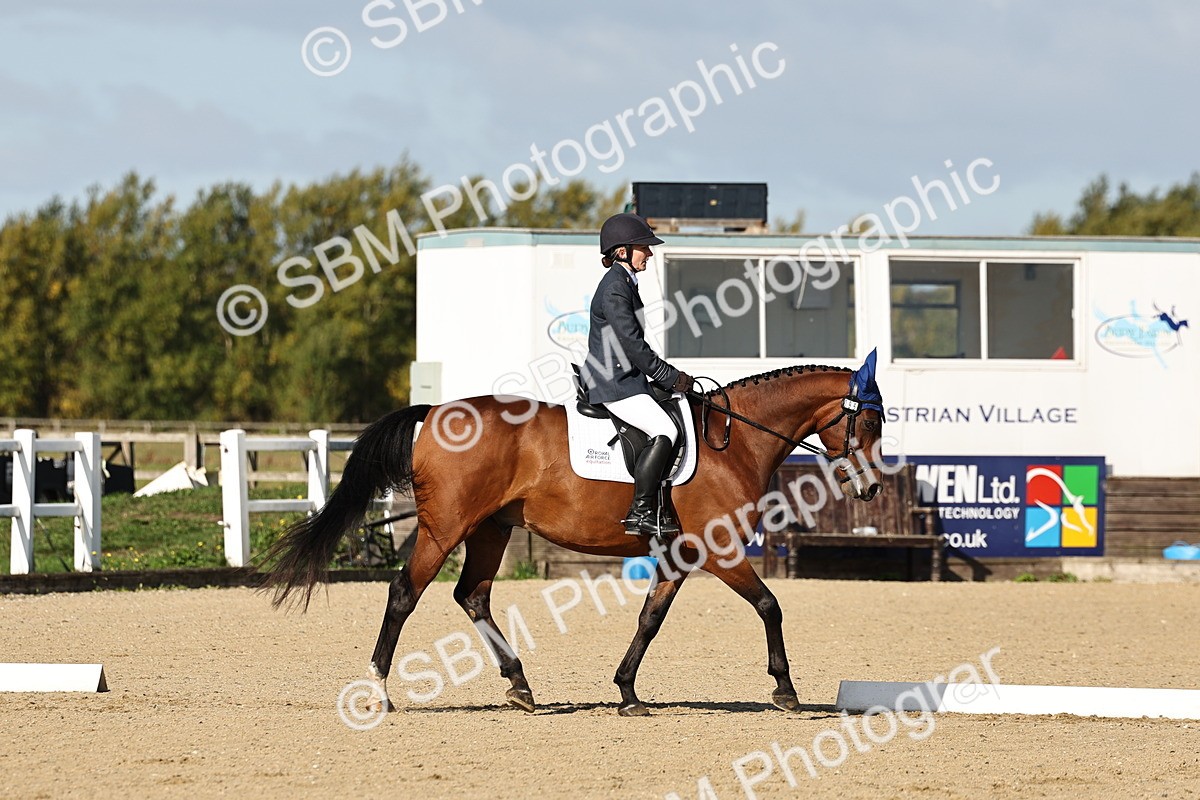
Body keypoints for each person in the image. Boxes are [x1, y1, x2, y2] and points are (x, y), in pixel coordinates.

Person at [582, 212, 693, 536]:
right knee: (664, 430)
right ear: (622, 251)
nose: (650, 253)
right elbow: (631, 344)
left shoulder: (625, 283)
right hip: (612, 383)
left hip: (625, 378)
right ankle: (641, 512)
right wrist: (668, 376)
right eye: (643, 247)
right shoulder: (616, 287)